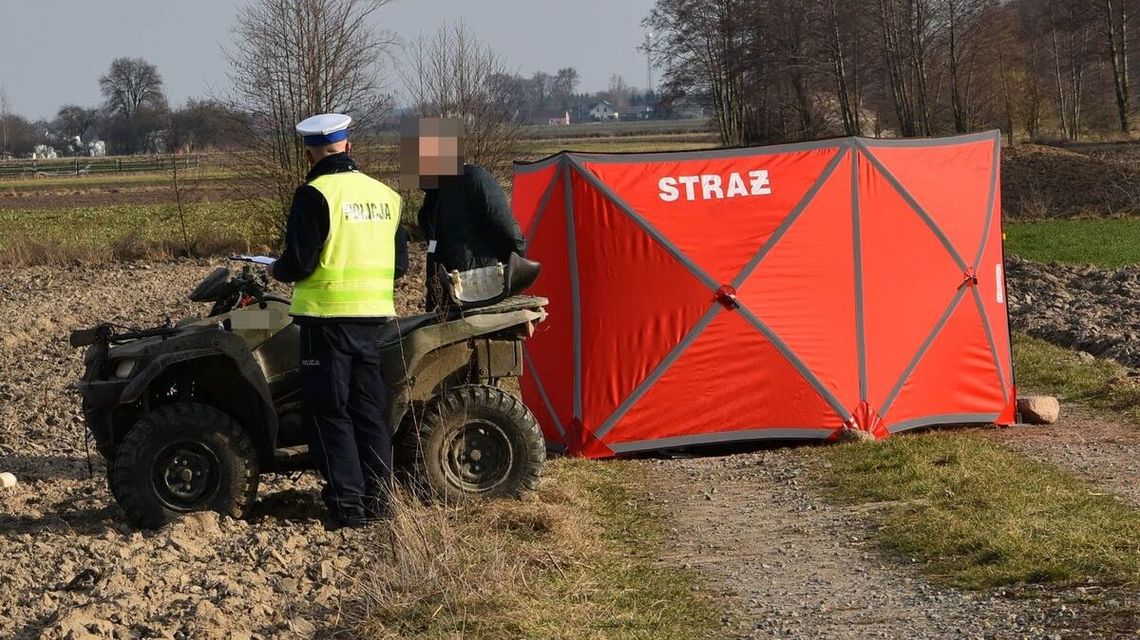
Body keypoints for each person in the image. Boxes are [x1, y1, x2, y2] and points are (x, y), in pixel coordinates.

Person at [270, 113, 406, 530]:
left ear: (310, 151)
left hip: (326, 322)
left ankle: (348, 507)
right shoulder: (387, 196)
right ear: (348, 145)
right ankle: (382, 501)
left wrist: (275, 269)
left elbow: (299, 262)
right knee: (369, 410)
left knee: (330, 412)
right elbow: (400, 266)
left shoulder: (314, 195)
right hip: (373, 321)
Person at [399, 117, 525, 311]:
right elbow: (435, 252)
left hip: (485, 290)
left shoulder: (473, 178)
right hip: (451, 300)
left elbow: (509, 233)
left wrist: (514, 270)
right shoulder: (431, 201)